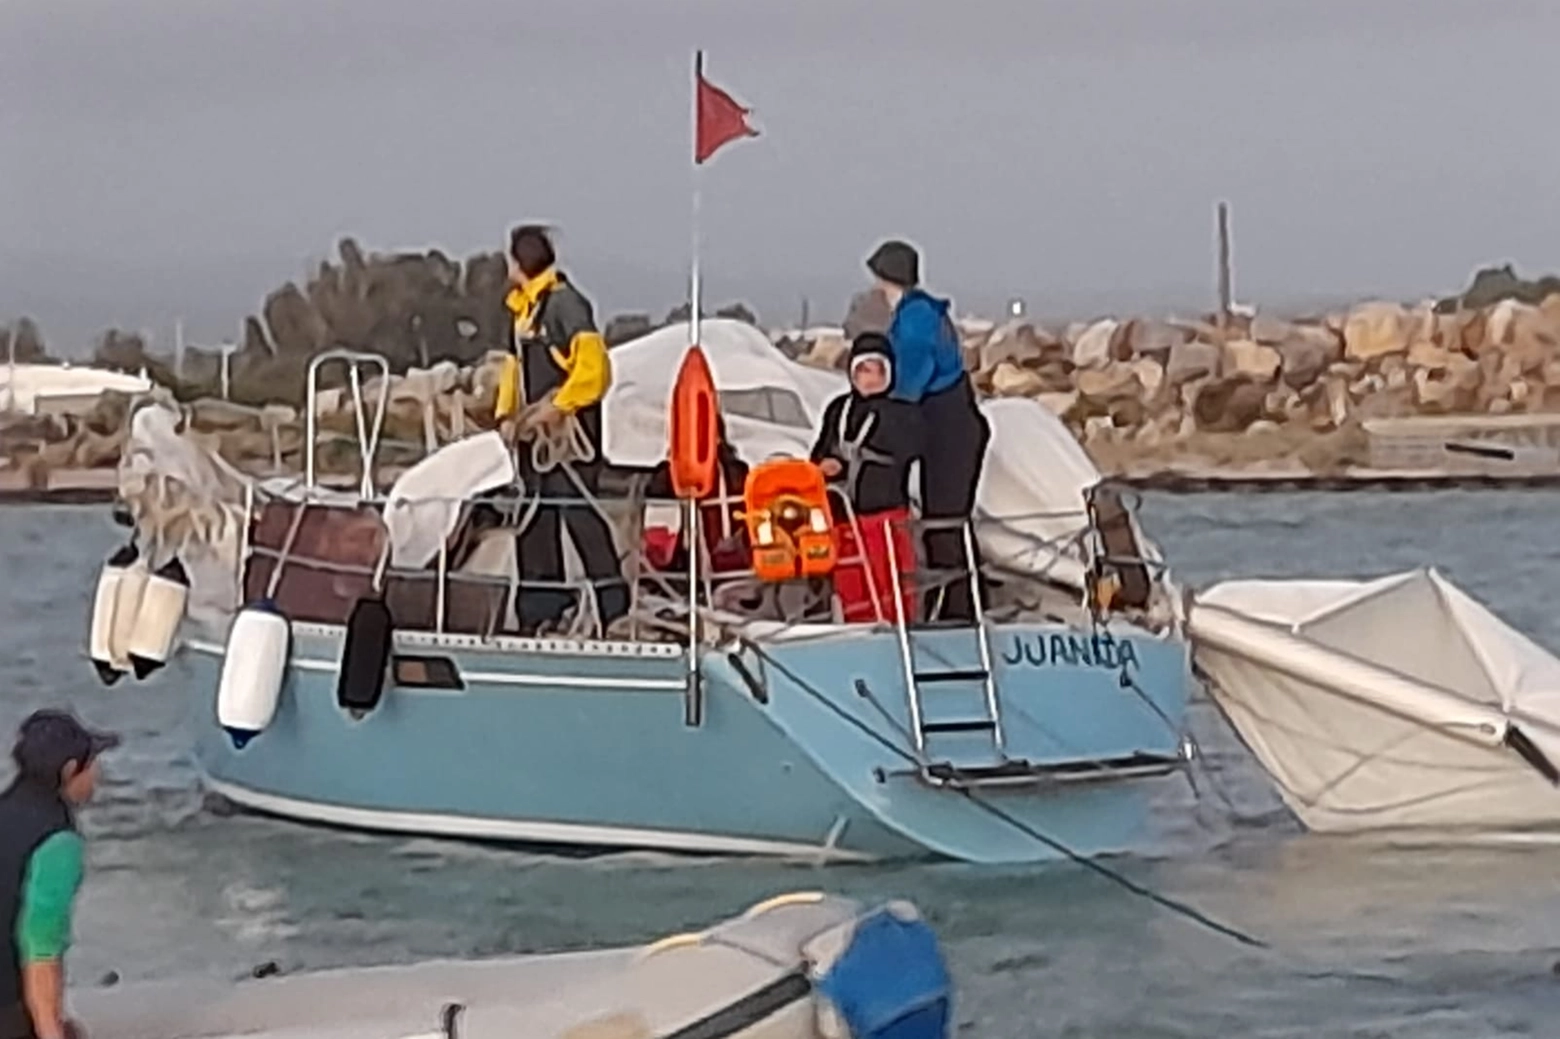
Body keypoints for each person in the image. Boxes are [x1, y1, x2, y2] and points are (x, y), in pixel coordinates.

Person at [496, 224, 629, 635]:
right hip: (533, 441)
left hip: (572, 440)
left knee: (579, 513)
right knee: (534, 519)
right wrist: (507, 415)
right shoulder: (521, 311)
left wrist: (556, 407)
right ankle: (540, 609)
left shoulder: (565, 306)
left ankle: (615, 609)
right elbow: (512, 367)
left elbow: (595, 370)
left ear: (517, 262)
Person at [865, 239, 991, 622]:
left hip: (949, 425)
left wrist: (887, 413)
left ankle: (961, 609)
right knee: (946, 519)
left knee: (944, 521)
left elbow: (912, 377)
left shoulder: (916, 318)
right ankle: (965, 599)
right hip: (948, 422)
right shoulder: (918, 312)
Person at [1, 710, 117, 1039]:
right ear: (69, 770)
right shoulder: (56, 841)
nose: (97, 775)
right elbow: (39, 947)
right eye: (91, 764)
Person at [810, 333, 921, 517]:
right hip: (838, 509)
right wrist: (826, 463)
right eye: (864, 371)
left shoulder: (903, 413)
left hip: (883, 511)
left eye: (879, 371)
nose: (871, 379)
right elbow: (822, 447)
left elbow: (907, 452)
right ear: (853, 373)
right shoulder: (839, 408)